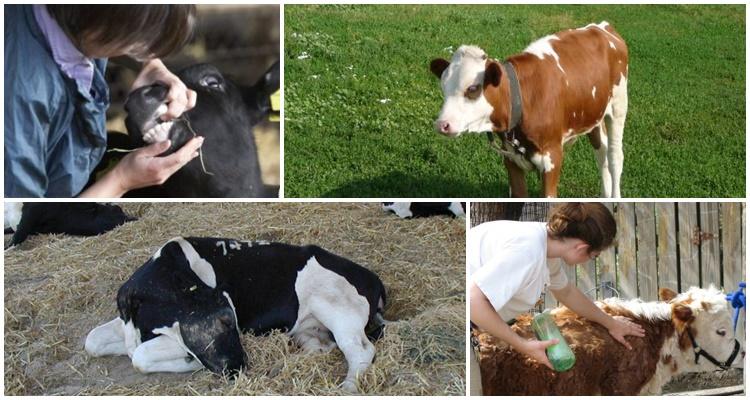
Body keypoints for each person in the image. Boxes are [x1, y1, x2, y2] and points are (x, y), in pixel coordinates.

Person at [4, 4, 204, 197]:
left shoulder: (69, 23)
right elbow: (20, 217)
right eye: (136, 43)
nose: (138, 51)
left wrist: (151, 65)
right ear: (100, 20)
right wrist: (121, 180)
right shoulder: (20, 105)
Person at [468, 203, 646, 395]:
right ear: (581, 247)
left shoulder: (545, 248)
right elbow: (472, 301)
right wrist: (523, 345)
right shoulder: (528, 252)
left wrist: (610, 323)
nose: (590, 259)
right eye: (594, 256)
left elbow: (566, 292)